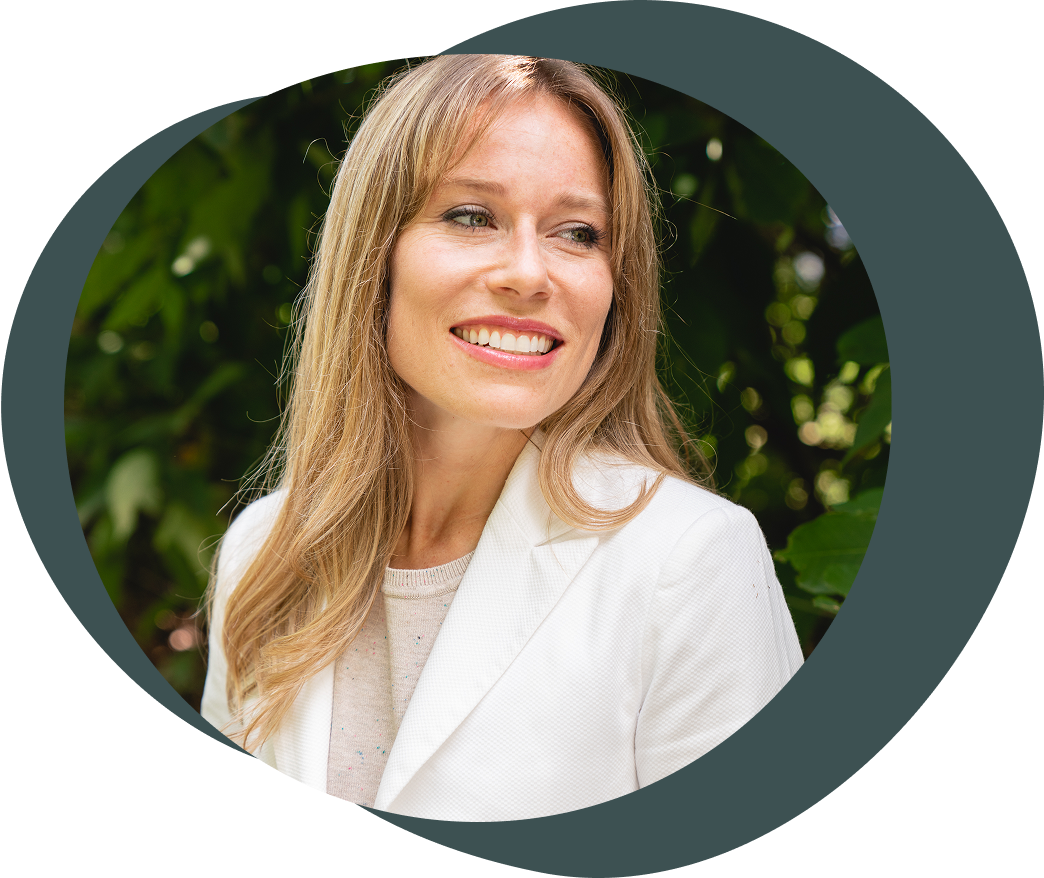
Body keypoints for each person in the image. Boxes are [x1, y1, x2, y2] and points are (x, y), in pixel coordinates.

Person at [201, 54, 803, 821]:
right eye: (472, 215)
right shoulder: (264, 552)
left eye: (578, 232)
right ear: (373, 257)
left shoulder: (690, 560)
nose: (529, 273)